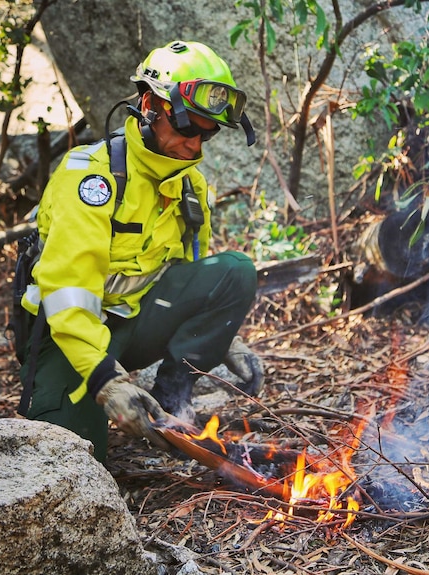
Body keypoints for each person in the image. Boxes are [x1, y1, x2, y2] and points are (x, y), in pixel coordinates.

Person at [16, 40, 264, 462]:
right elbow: (65, 293)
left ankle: (173, 403)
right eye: (188, 127)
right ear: (149, 104)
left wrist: (220, 338)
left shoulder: (189, 184)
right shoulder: (92, 178)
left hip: (132, 323)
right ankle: (76, 390)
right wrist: (106, 381)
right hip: (64, 335)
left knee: (235, 269)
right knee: (76, 464)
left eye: (209, 133)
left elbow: (185, 276)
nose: (196, 147)